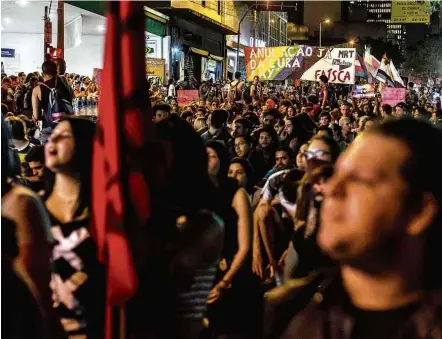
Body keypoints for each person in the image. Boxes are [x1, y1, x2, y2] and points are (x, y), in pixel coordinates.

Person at [280, 118, 442, 339]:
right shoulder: (289, 314)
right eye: (335, 174)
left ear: (418, 212)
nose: (332, 189)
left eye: (359, 180)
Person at [131, 115, 224, 339]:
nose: (149, 165)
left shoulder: (205, 223)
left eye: (158, 157)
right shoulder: (141, 210)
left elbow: (172, 273)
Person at [44, 117, 105, 338]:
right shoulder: (34, 208)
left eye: (64, 136)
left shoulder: (105, 212)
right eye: (52, 135)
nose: (52, 140)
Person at [206, 140, 260, 339]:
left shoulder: (237, 193)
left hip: (233, 273)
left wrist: (225, 281)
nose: (206, 161)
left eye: (211, 156)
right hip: (207, 274)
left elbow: (244, 245)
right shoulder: (199, 193)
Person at [32, 60, 73, 144]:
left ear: (43, 73)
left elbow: (36, 115)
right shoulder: (65, 84)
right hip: (67, 126)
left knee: (49, 155)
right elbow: (72, 100)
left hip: (49, 128)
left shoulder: (37, 90)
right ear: (56, 71)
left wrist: (34, 117)